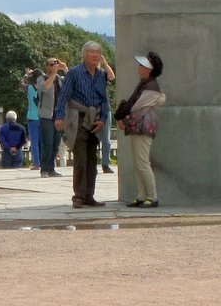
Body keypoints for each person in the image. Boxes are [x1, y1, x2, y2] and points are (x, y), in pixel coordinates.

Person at [54, 41, 114, 208]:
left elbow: (105, 99)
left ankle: (90, 195)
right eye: (91, 52)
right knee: (80, 157)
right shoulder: (74, 72)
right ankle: (79, 196)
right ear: (84, 55)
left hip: (95, 120)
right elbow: (64, 96)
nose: (95, 55)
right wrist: (59, 117)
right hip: (78, 118)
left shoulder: (102, 75)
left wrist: (103, 119)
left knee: (92, 159)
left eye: (98, 52)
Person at [119, 52, 167, 208]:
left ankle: (152, 197)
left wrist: (125, 121)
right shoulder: (146, 84)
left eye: (142, 65)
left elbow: (139, 109)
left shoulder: (151, 86)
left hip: (143, 127)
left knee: (143, 163)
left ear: (149, 69)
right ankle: (141, 195)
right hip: (139, 127)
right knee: (138, 163)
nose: (139, 67)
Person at [36, 58, 67, 178]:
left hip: (58, 115)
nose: (53, 65)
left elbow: (72, 83)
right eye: (51, 64)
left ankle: (51, 169)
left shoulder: (60, 78)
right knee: (47, 142)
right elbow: (45, 88)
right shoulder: (41, 78)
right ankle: (44, 169)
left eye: (55, 63)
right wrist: (54, 73)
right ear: (47, 67)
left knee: (55, 143)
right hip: (46, 115)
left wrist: (64, 69)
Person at [21, 70, 41, 172]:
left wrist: (26, 75)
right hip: (43, 117)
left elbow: (21, 84)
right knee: (44, 142)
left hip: (32, 117)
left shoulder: (29, 88)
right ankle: (45, 163)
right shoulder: (45, 87)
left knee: (34, 142)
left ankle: (37, 164)